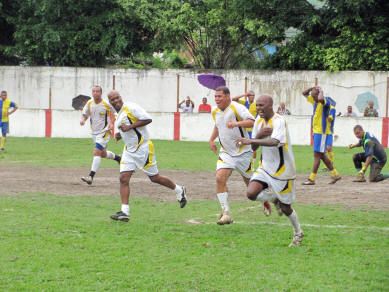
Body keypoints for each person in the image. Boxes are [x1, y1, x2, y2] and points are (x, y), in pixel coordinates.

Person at [108, 90, 187, 222]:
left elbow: (147, 119)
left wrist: (129, 127)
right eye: (113, 100)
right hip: (129, 150)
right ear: (110, 102)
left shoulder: (131, 107)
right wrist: (119, 135)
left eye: (117, 98)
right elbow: (127, 129)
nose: (116, 101)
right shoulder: (119, 114)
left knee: (155, 178)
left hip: (142, 148)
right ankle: (124, 212)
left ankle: (179, 190)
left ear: (121, 97)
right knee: (123, 178)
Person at [235, 94, 303, 247]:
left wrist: (252, 139)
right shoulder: (258, 120)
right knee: (251, 193)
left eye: (261, 105)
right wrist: (257, 135)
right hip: (265, 167)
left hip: (283, 171)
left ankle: (298, 233)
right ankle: (274, 199)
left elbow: (275, 141)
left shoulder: (279, 121)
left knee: (286, 208)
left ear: (270, 106)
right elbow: (254, 147)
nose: (258, 108)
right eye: (257, 105)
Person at [209, 86, 271, 225]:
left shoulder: (237, 108)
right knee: (220, 178)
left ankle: (265, 200)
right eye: (215, 96)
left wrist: (236, 123)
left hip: (243, 153)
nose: (217, 99)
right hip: (226, 152)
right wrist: (211, 139)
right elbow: (217, 126)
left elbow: (251, 121)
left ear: (227, 96)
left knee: (251, 189)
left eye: (219, 96)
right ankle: (226, 213)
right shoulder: (214, 111)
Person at [80, 85, 121, 185]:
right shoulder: (89, 103)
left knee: (96, 152)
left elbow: (116, 113)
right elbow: (85, 114)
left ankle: (91, 177)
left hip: (105, 131)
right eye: (93, 91)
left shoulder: (106, 104)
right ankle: (118, 158)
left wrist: (112, 123)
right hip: (94, 132)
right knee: (102, 154)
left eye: (97, 91)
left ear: (101, 93)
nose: (95, 93)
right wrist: (83, 120)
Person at [301, 86, 341, 185]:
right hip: (317, 132)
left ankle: (312, 179)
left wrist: (321, 91)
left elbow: (321, 99)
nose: (313, 98)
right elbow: (303, 93)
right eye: (313, 97)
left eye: (315, 96)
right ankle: (336, 174)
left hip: (322, 132)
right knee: (322, 155)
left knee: (317, 155)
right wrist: (312, 88)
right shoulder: (315, 101)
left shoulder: (324, 101)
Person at [322, 104, 336, 172]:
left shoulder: (332, 108)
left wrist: (325, 116)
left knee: (329, 148)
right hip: (323, 131)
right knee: (324, 149)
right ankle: (326, 166)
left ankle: (330, 164)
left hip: (329, 131)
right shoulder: (324, 108)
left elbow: (330, 119)